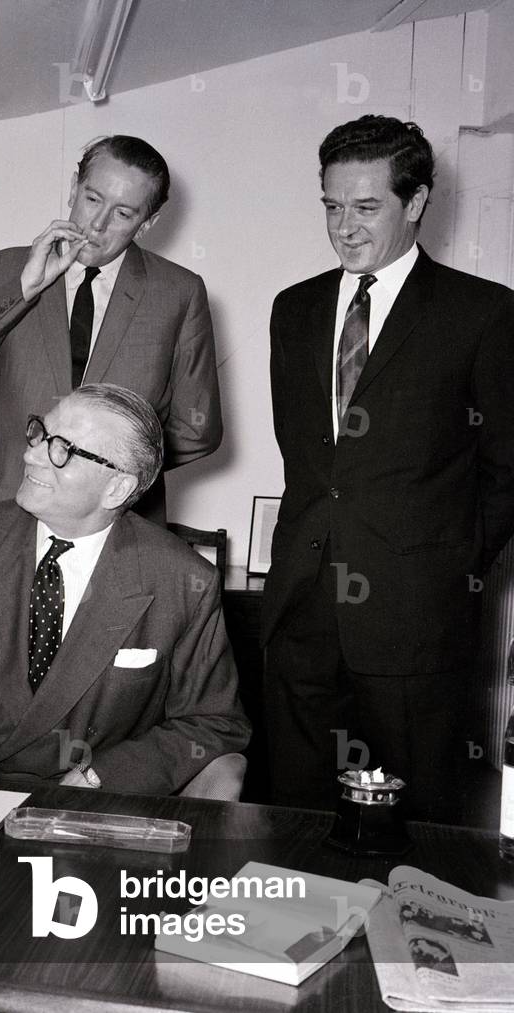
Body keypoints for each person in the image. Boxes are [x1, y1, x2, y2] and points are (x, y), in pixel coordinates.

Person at [261, 115, 514, 818]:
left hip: (416, 618)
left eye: (366, 207)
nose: (345, 227)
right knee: (295, 816)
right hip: (302, 605)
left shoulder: (484, 314)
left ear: (418, 201)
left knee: (416, 827)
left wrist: (444, 559)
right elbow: (309, 458)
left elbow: (507, 471)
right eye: (333, 206)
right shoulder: (294, 310)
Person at [0, 384, 249, 795]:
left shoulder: (182, 581)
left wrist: (105, 777)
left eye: (61, 448)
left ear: (117, 488)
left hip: (89, 804)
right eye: (39, 434)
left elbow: (212, 723)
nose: (31, 455)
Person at [0, 135, 222, 525]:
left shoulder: (179, 292)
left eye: (123, 214)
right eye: (92, 199)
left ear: (147, 223)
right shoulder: (4, 272)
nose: (97, 225)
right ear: (73, 188)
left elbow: (200, 428)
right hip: (12, 512)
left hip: (123, 522)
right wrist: (23, 291)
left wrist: (115, 473)